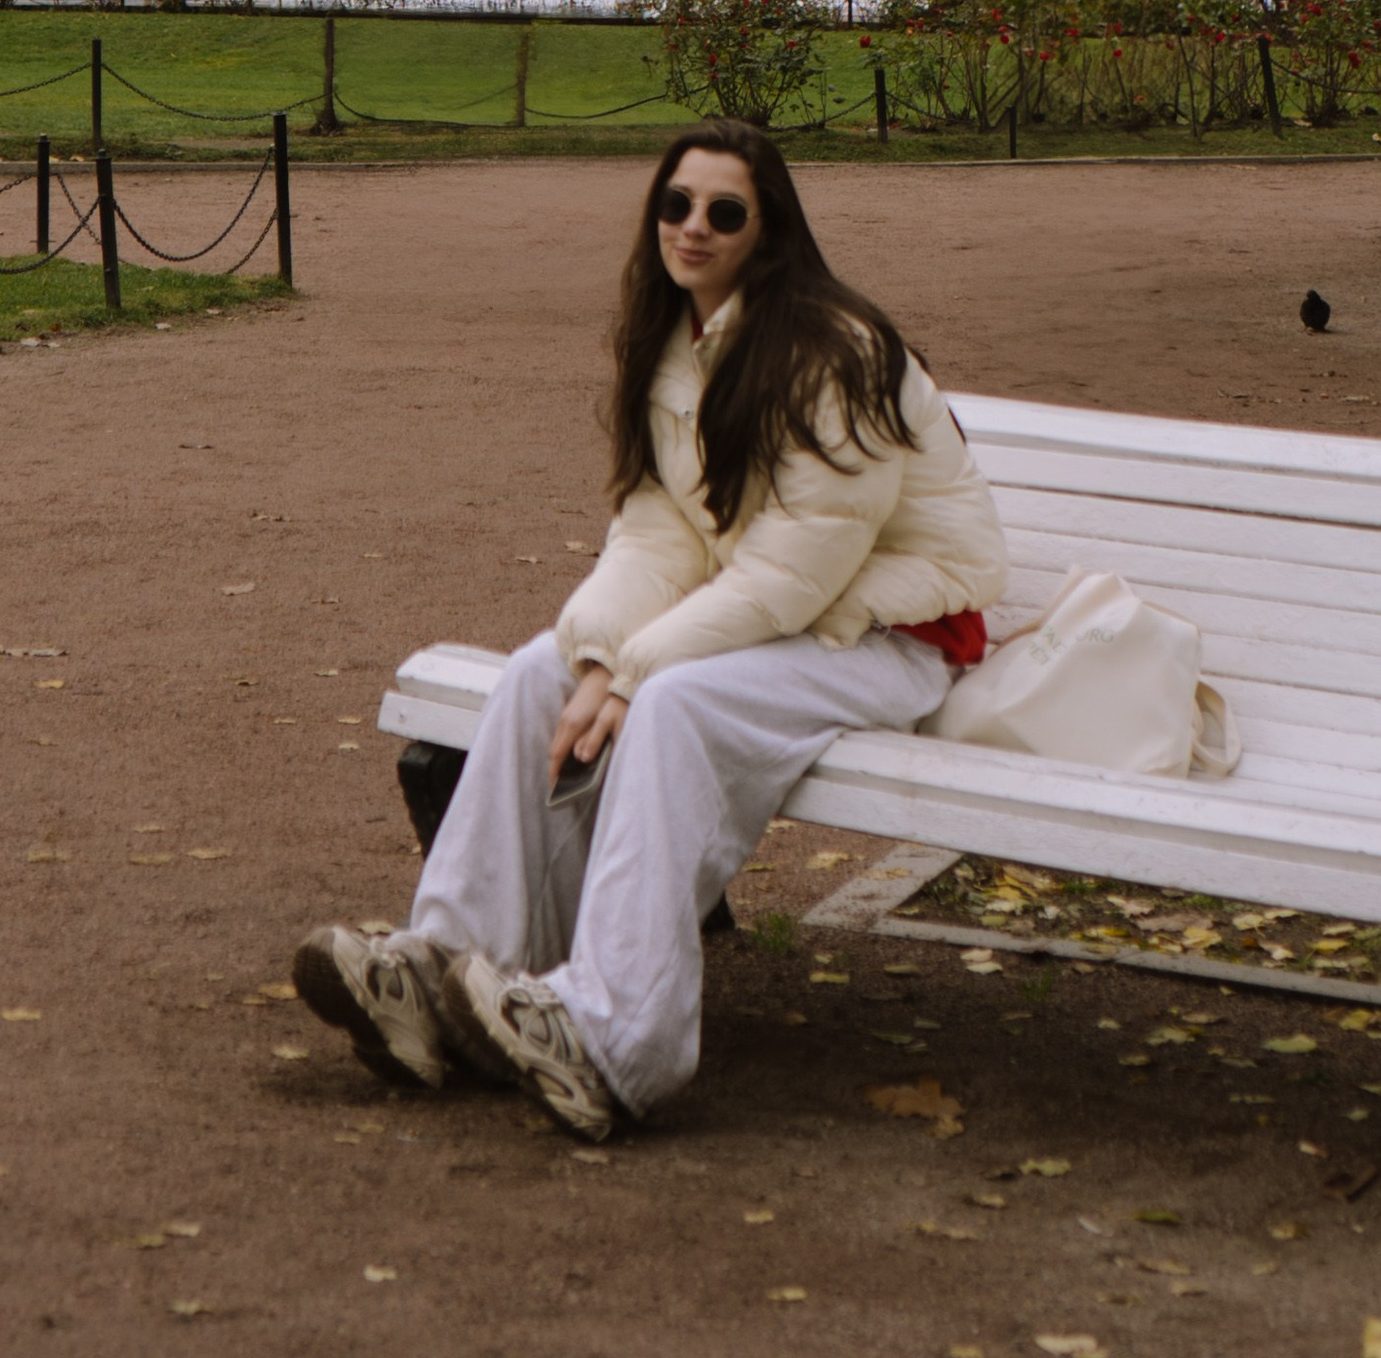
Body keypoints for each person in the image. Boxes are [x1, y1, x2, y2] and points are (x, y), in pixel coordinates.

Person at [292, 122, 1007, 1136]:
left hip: (893, 634)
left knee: (668, 704)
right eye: (677, 205)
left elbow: (801, 570)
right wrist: (596, 656)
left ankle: (616, 1037)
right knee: (541, 671)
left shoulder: (831, 349)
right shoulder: (670, 337)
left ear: (769, 231)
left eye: (725, 212)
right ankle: (443, 971)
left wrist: (635, 672)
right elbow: (659, 528)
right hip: (775, 617)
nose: (694, 229)